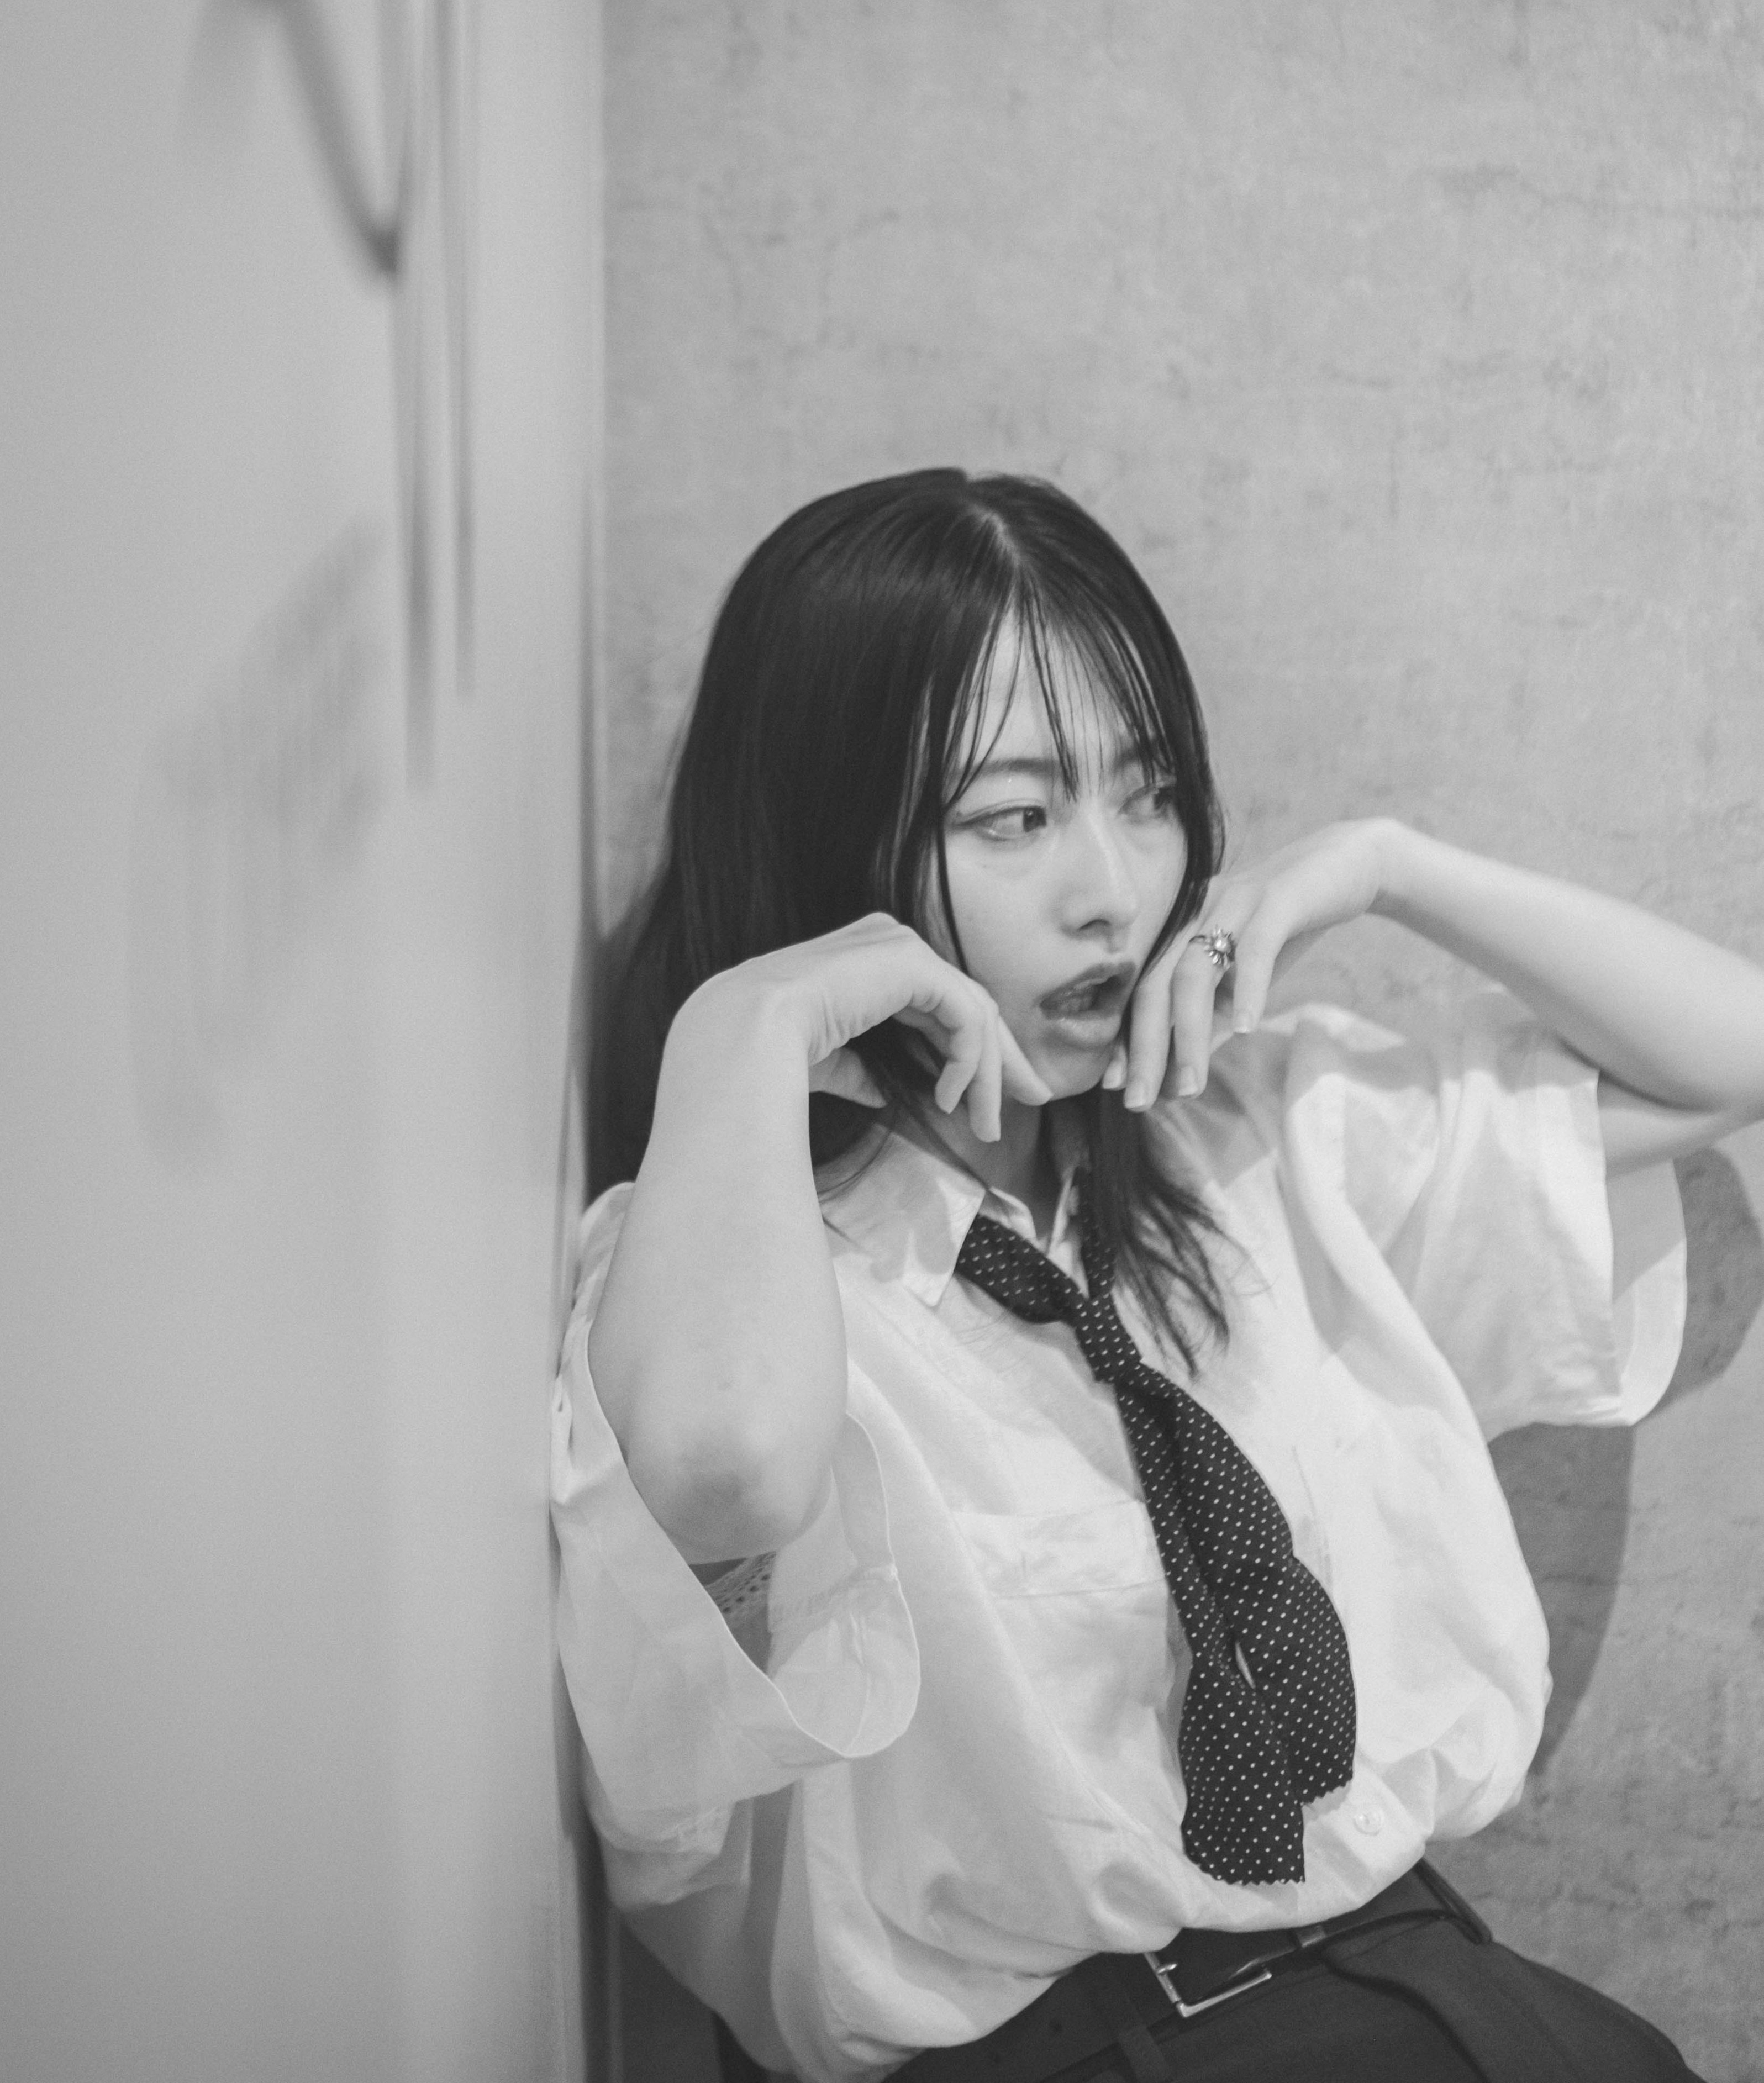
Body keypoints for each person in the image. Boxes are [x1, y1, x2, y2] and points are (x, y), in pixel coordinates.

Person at [551, 470, 1764, 2083]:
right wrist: (745, 1022)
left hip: (1428, 1993)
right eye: (1014, 817)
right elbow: (719, 1478)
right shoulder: (733, 1266)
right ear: (830, 837)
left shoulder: (1256, 1143)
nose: (1113, 888)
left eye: (1146, 793)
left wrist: (1390, 864)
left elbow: (1731, 1058)